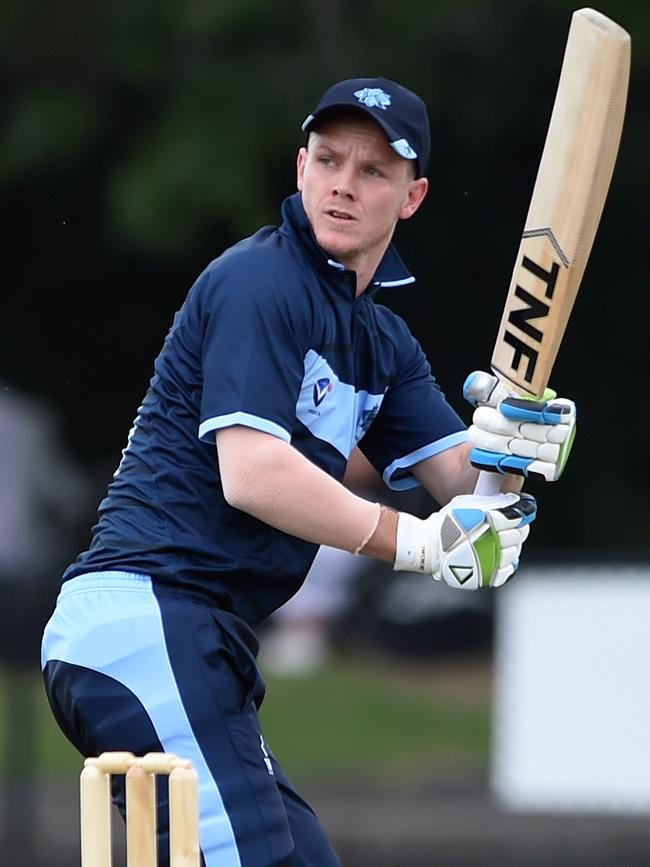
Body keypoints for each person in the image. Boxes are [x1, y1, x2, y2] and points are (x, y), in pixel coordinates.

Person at [40, 77, 576, 867]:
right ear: (301, 168)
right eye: (328, 160)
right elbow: (252, 473)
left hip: (202, 642)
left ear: (412, 195)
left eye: (371, 172)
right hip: (144, 617)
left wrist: (513, 449)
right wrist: (418, 544)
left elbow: (469, 494)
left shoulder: (383, 343)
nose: (343, 185)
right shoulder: (260, 283)